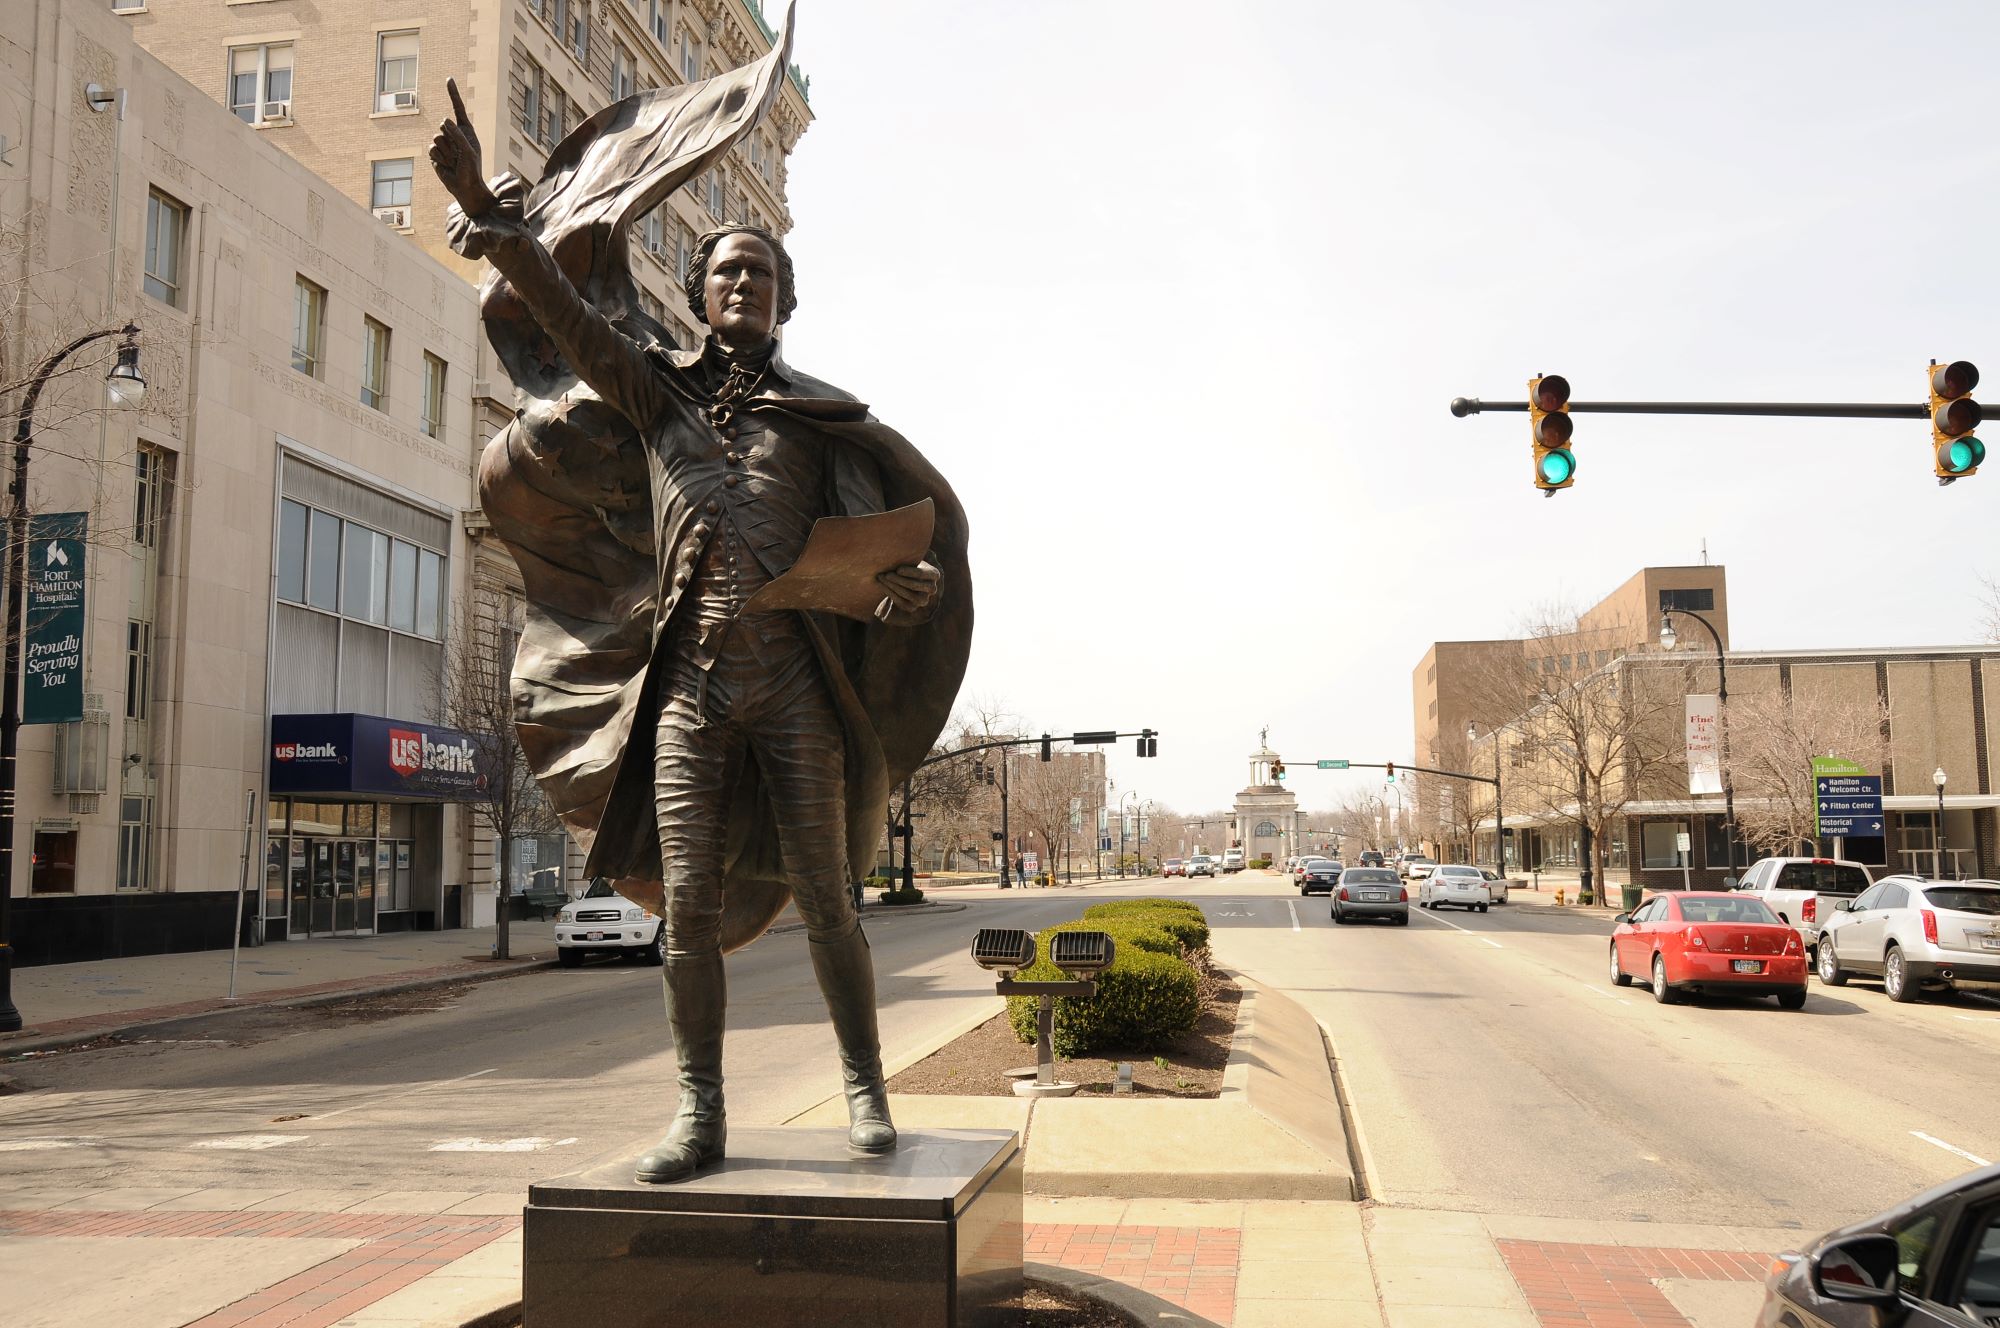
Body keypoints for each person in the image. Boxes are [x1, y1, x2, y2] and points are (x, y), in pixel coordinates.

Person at [429, 74, 970, 1184]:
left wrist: (895, 590)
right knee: (687, 910)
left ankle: (866, 1085)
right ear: (697, 289)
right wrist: (490, 216)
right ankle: (700, 1110)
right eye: (726, 269)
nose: (743, 284)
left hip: (796, 684)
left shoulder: (822, 422)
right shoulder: (654, 394)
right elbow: (574, 324)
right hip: (687, 689)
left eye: (762, 273)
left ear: (785, 301)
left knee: (829, 899)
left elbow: (887, 554)